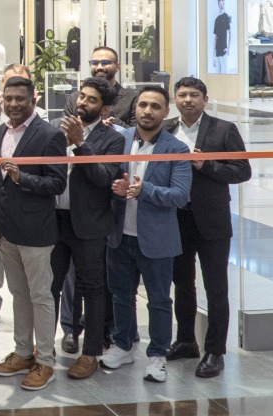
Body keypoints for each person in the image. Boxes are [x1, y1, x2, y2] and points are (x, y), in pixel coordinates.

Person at [100, 85, 191, 383]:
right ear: (135, 108)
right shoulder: (121, 139)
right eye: (142, 105)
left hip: (156, 238)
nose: (147, 111)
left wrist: (143, 190)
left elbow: (180, 195)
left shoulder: (176, 149)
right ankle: (124, 345)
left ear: (166, 112)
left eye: (155, 106)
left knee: (159, 299)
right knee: (121, 295)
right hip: (120, 234)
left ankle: (158, 355)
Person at [164, 76, 252, 378]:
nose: (187, 100)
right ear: (175, 99)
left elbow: (242, 170)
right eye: (182, 94)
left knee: (216, 288)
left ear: (205, 99)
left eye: (194, 95)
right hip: (177, 219)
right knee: (183, 285)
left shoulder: (224, 130)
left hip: (212, 221)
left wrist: (208, 165)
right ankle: (186, 340)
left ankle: (215, 351)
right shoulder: (168, 130)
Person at [0, 76, 67, 391]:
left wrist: (24, 179)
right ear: (2, 100)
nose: (14, 104)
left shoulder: (49, 135)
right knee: (18, 295)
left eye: (21, 98)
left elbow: (57, 184)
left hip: (36, 233)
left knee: (41, 296)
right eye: (9, 99)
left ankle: (45, 359)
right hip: (6, 231)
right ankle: (22, 353)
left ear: (33, 99)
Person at [50, 78, 122, 380]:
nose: (82, 103)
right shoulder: (56, 128)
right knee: (49, 288)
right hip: (53, 222)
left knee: (92, 288)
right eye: (82, 96)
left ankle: (91, 352)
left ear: (104, 108)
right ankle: (42, 350)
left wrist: (80, 143)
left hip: (89, 225)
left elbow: (103, 178)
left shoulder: (112, 139)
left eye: (91, 100)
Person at [62, 47, 139, 126]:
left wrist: (113, 122)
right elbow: (65, 129)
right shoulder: (75, 98)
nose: (99, 67)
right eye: (94, 63)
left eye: (105, 62)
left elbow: (136, 134)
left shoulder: (132, 99)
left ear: (117, 66)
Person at [212, 0, 232, 74]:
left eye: (224, 1)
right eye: (222, 0)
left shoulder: (225, 16)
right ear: (218, 2)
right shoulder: (216, 20)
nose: (223, 2)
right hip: (217, 52)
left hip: (224, 51)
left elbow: (230, 33)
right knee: (217, 74)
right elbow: (215, 38)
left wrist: (228, 49)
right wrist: (213, 56)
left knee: (224, 73)